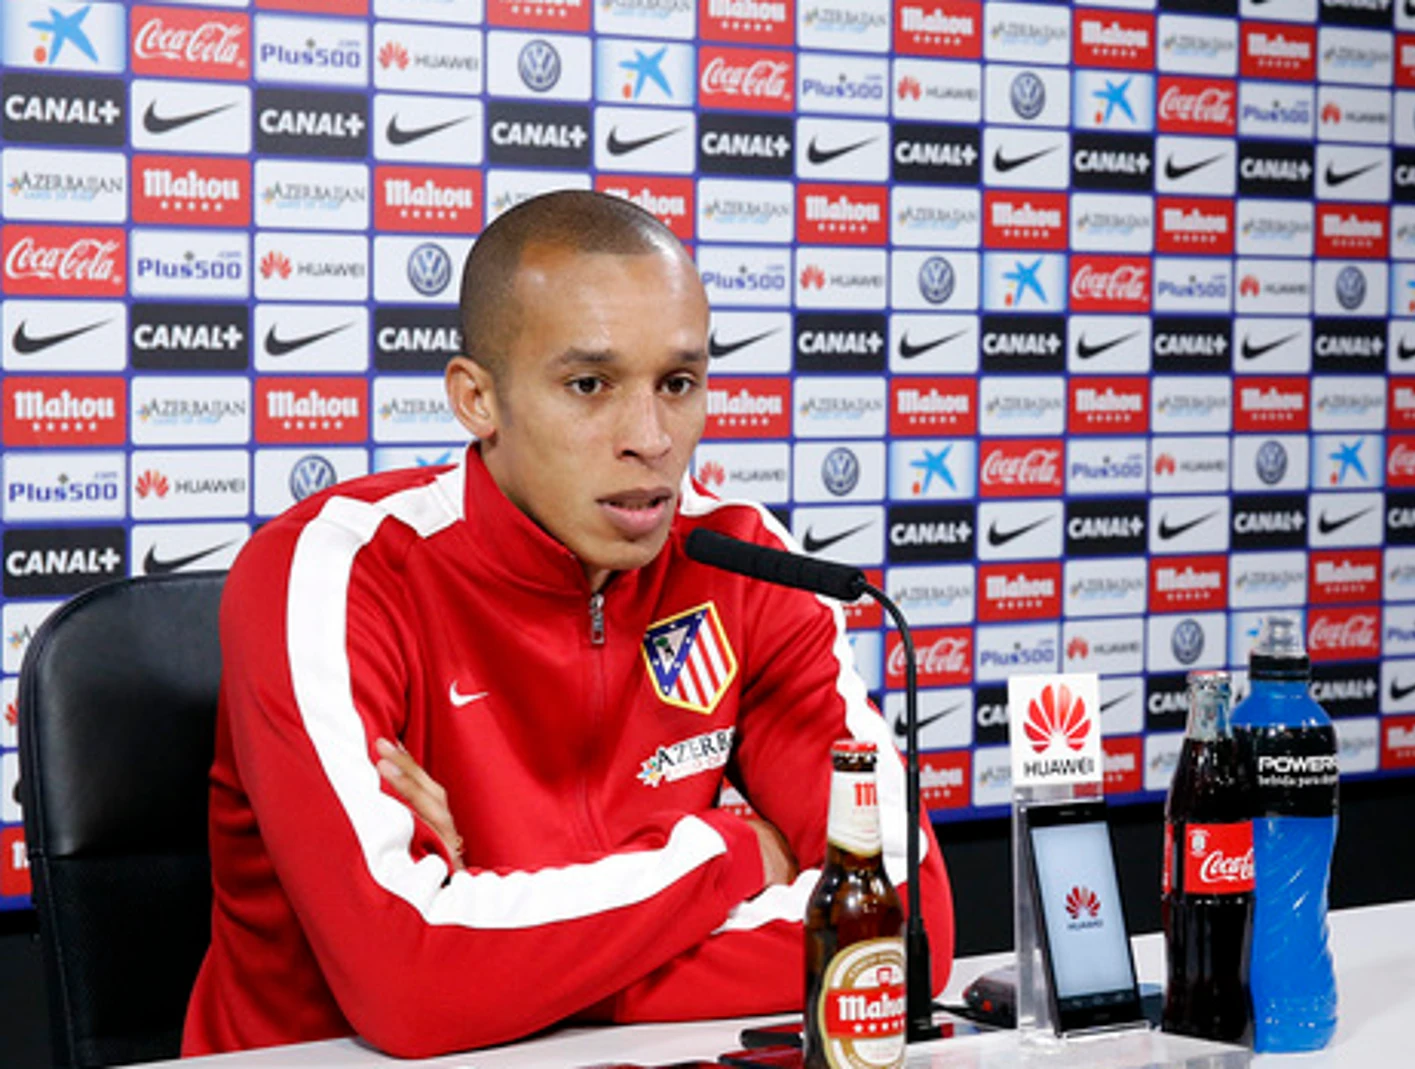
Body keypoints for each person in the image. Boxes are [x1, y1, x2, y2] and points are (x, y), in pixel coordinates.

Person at [183, 191, 956, 1057]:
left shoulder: (740, 559)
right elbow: (410, 982)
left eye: (679, 383)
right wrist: (734, 851)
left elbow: (899, 932)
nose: (651, 437)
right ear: (477, 398)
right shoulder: (339, 571)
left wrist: (496, 949)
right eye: (589, 385)